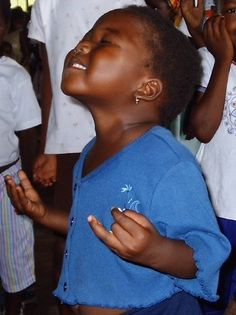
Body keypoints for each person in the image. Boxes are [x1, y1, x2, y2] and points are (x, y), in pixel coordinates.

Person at [5, 5, 231, 315]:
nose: (81, 45)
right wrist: (43, 214)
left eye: (104, 42)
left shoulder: (166, 163)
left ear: (147, 87)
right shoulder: (92, 152)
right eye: (86, 37)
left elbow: (206, 252)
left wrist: (157, 251)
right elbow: (91, 225)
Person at [184, 0, 236, 314]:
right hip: (216, 207)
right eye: (230, 10)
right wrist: (223, 60)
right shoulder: (208, 60)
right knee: (210, 295)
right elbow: (202, 127)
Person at [0, 1, 41, 315]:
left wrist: (26, 184)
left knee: (14, 257)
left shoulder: (13, 76)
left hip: (7, 178)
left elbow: (28, 134)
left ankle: (14, 308)